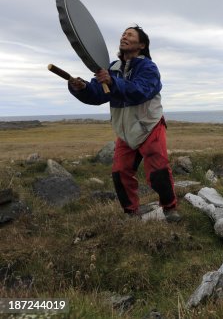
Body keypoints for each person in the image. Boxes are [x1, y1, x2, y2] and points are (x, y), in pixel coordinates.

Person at [68, 25, 180, 222]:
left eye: (130, 35)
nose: (124, 36)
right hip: (124, 130)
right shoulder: (112, 69)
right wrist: (82, 87)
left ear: (142, 44)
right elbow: (97, 94)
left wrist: (112, 82)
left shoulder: (148, 68)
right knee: (120, 172)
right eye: (123, 34)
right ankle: (131, 213)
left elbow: (139, 91)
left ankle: (170, 208)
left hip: (149, 125)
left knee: (158, 170)